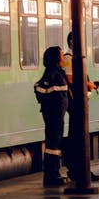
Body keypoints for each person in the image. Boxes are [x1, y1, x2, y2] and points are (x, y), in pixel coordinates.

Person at [62, 32, 99, 185]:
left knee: (78, 135)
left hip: (79, 102)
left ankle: (80, 169)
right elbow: (70, 78)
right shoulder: (69, 58)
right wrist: (89, 85)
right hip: (75, 103)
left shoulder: (75, 58)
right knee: (77, 135)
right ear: (73, 42)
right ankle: (78, 170)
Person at [34, 45, 70, 187]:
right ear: (56, 58)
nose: (63, 58)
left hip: (57, 115)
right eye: (61, 55)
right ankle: (51, 176)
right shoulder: (52, 73)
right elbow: (39, 87)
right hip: (53, 115)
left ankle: (54, 173)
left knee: (55, 144)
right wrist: (49, 102)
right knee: (52, 145)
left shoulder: (58, 72)